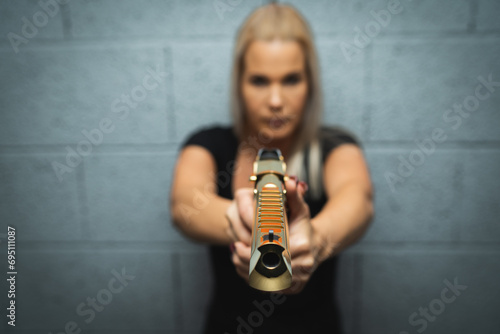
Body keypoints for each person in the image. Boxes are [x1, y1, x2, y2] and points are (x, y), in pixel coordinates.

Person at [170, 3, 373, 333]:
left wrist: (315, 239)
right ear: (240, 84)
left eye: (291, 79)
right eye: (260, 81)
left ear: (310, 83)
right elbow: (184, 207)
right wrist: (242, 223)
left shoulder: (335, 146)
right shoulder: (209, 144)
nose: (276, 100)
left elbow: (359, 202)